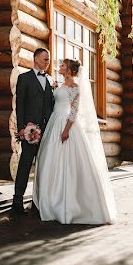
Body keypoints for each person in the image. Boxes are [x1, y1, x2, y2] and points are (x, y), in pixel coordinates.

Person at [33, 58, 117, 224]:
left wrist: (66, 130)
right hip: (53, 122)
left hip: (66, 125)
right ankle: (47, 199)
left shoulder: (76, 88)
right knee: (47, 160)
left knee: (68, 163)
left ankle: (70, 205)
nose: (60, 67)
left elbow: (74, 111)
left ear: (70, 70)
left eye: (63, 65)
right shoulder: (59, 85)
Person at [11, 47, 55, 214]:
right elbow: (19, 105)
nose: (48, 62)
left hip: (48, 131)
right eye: (45, 59)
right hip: (30, 131)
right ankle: (17, 202)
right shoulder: (24, 78)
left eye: (49, 59)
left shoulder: (50, 80)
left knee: (44, 167)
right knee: (25, 165)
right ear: (36, 59)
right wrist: (22, 128)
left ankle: (39, 202)